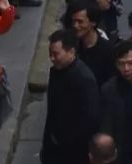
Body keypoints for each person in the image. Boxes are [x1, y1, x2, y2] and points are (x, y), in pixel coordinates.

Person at [42, 28, 102, 164]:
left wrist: (65, 140)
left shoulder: (84, 79)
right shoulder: (57, 72)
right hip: (55, 146)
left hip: (73, 152)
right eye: (50, 53)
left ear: (71, 52)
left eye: (56, 54)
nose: (52, 58)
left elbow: (91, 119)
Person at [72, 0, 117, 86]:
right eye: (73, 21)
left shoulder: (108, 50)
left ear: (93, 22)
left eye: (80, 22)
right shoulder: (71, 44)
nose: (75, 25)